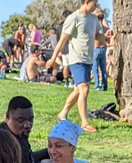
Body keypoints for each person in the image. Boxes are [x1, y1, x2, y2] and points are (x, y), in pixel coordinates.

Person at [49, 0, 104, 133]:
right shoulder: (73, 18)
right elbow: (62, 40)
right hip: (76, 59)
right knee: (84, 89)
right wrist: (53, 58)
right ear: (86, 2)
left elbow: (98, 36)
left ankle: (62, 113)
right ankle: (84, 122)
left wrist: (106, 37)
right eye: (94, 3)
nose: (96, 6)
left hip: (88, 59)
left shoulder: (93, 19)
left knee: (78, 90)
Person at [92, 9, 110, 91]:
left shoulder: (96, 24)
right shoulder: (104, 24)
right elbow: (108, 32)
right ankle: (104, 86)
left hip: (96, 48)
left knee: (95, 68)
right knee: (103, 68)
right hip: (103, 48)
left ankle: (97, 85)